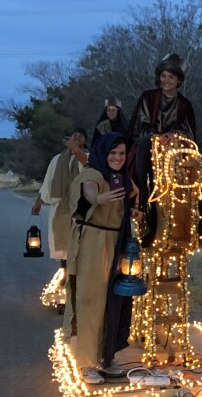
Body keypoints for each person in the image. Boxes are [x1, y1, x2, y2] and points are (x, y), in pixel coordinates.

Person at [126, 53, 202, 267]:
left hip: (174, 151)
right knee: (142, 161)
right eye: (163, 76)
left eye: (171, 77)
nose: (166, 81)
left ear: (178, 80)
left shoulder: (185, 105)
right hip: (148, 146)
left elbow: (190, 134)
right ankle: (143, 206)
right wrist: (156, 136)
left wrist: (175, 136)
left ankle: (190, 229)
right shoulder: (148, 97)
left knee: (195, 185)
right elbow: (140, 126)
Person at [63, 132, 142, 385]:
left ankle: (107, 358)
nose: (118, 158)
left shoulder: (123, 177)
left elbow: (131, 198)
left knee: (114, 302)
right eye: (112, 153)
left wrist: (134, 211)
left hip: (117, 243)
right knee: (92, 300)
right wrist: (98, 199)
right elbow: (89, 191)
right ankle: (86, 362)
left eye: (121, 153)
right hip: (95, 244)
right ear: (102, 153)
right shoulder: (92, 174)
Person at [32, 128, 89, 270]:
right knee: (61, 238)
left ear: (85, 141)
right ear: (68, 138)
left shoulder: (89, 156)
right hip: (59, 206)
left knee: (78, 239)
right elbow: (48, 182)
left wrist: (75, 150)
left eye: (80, 135)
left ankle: (75, 273)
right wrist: (38, 202)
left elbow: (87, 166)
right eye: (74, 134)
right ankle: (64, 271)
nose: (77, 136)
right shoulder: (57, 159)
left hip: (79, 205)